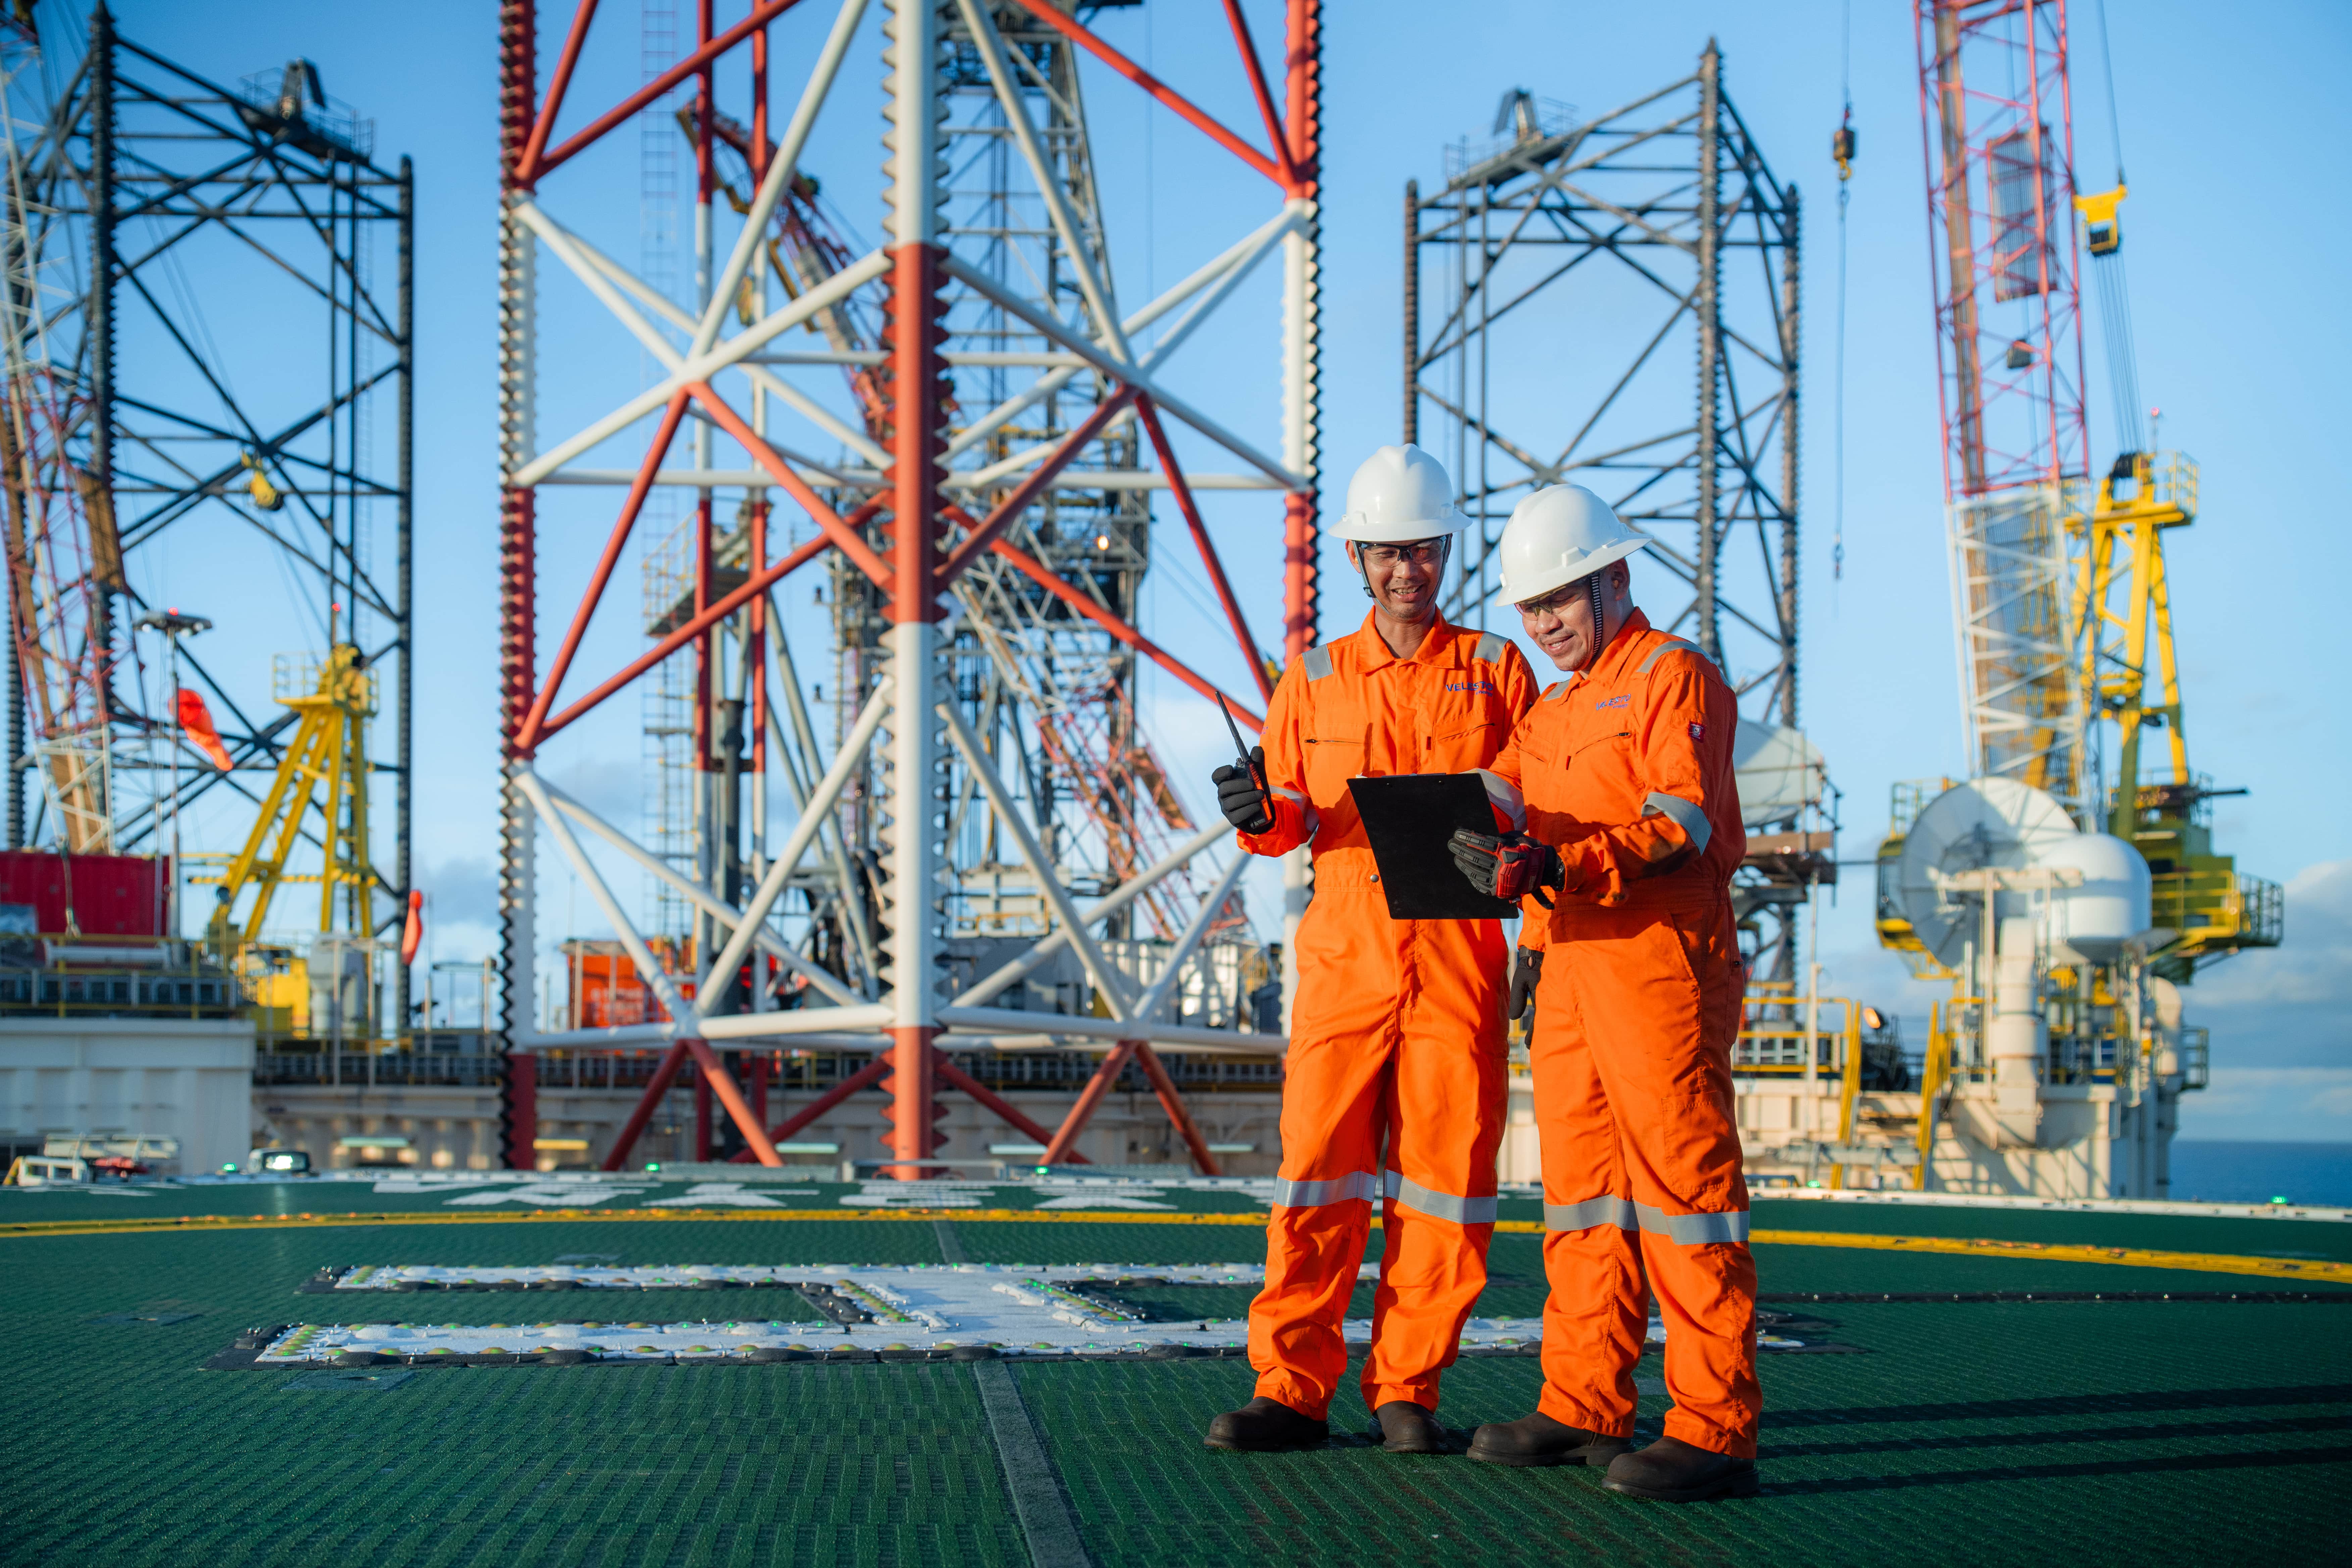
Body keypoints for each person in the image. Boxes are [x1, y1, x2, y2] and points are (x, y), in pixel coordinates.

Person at [1203, 445, 1538, 1455]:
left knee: (1447, 1179)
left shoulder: (1499, 670)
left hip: (1459, 948)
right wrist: (1255, 814)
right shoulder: (1312, 679)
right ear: (1356, 558)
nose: (1406, 570)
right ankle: (1290, 1388)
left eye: (1422, 550)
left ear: (1446, 553)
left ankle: (1408, 1391)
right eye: (1388, 552)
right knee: (1318, 1172)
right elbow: (1292, 813)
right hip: (1347, 951)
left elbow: (1538, 799)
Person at [1447, 483, 1759, 1502]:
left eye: (1558, 599)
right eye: (1529, 608)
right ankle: (1584, 1404)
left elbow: (1683, 823)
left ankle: (1715, 1428)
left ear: (1614, 579)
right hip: (1573, 962)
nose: (1543, 624)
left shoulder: (1675, 675)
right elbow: (1499, 798)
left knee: (1686, 1194)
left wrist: (1559, 866)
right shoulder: (1553, 707)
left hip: (1660, 958)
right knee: (1583, 1196)